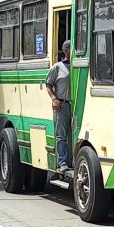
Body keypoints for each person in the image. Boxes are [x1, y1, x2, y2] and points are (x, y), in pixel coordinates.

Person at [46, 40, 71, 173]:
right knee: (61, 135)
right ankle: (63, 162)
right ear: (66, 50)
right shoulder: (57, 67)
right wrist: (54, 98)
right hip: (62, 104)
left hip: (76, 105)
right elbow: (48, 84)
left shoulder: (78, 66)